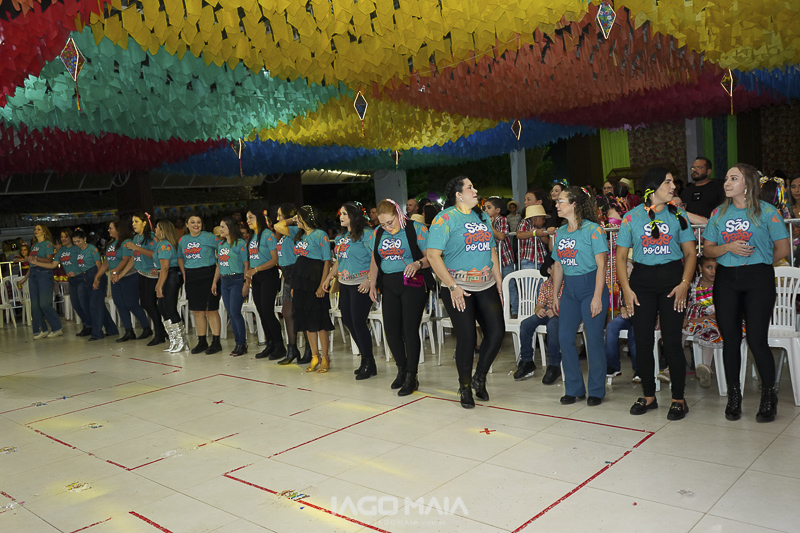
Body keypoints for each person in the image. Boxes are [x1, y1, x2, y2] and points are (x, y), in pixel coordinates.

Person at [703, 163, 790, 422]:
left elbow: (783, 249)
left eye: (733, 178)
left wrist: (759, 262)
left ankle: (768, 396)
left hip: (758, 280)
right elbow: (708, 249)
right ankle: (734, 396)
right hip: (727, 280)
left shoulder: (768, 212)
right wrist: (728, 247)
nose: (727, 183)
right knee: (730, 340)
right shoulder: (718, 213)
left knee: (756, 339)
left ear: (748, 184)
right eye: (726, 178)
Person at [616, 167, 696, 420]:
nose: (673, 186)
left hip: (673, 281)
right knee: (642, 341)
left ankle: (678, 399)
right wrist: (626, 289)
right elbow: (620, 258)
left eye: (673, 182)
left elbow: (690, 253)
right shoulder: (631, 217)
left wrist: (684, 284)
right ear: (652, 188)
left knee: (672, 341)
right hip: (641, 283)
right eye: (667, 182)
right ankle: (649, 396)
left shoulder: (678, 214)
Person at [428, 176, 505, 408]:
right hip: (458, 287)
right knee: (467, 338)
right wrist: (452, 286)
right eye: (470, 187)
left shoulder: (482, 217)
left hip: (485, 284)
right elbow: (433, 255)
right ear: (458, 195)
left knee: (497, 332)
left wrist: (499, 280)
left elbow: (491, 249)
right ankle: (465, 386)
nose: (475, 190)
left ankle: (479, 377)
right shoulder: (445, 218)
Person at [550, 187, 609, 406]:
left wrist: (597, 296)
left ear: (574, 204)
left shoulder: (594, 230)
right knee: (565, 338)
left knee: (593, 339)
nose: (556, 205)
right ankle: (574, 389)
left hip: (591, 287)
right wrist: (555, 295)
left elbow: (602, 266)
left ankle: (596, 390)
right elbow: (558, 265)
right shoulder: (559, 233)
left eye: (561, 201)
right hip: (570, 291)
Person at [369, 199, 431, 395]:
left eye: (390, 222)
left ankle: (412, 375)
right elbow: (375, 259)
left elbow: (432, 257)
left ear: (399, 214)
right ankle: (402, 369)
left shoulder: (416, 228)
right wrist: (372, 283)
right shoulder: (377, 233)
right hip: (389, 284)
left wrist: (417, 264)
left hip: (412, 282)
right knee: (391, 330)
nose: (387, 228)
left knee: (409, 329)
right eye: (383, 224)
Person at [324, 202, 377, 380]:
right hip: (344, 283)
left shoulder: (367, 234)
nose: (341, 217)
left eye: (345, 214)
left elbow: (375, 257)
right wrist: (329, 277)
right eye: (341, 214)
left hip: (361, 283)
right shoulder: (341, 236)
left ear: (354, 216)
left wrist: (369, 279)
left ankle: (368, 362)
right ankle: (366, 359)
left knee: (358, 322)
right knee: (348, 320)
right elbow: (339, 260)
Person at [290, 205, 334, 372]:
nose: (296, 219)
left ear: (306, 218)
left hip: (315, 279)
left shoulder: (320, 234)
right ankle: (315, 356)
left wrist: (323, 284)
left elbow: (327, 261)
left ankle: (326, 357)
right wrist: (294, 286)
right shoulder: (299, 235)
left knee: (319, 320)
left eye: (298, 217)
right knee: (307, 320)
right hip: (300, 281)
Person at [96, 220, 150, 342]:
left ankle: (146, 327)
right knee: (120, 304)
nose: (109, 230)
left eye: (111, 228)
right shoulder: (111, 244)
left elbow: (126, 259)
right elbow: (107, 262)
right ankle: (128, 331)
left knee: (132, 304)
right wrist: (97, 276)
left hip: (129, 277)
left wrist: (116, 272)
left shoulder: (126, 242)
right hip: (115, 278)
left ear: (119, 229)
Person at [273, 204, 312, 365]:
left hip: (297, 274)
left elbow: (277, 226)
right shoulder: (285, 234)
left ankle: (310, 349)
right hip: (287, 275)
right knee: (287, 313)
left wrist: (292, 219)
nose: (277, 218)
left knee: (299, 313)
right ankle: (292, 349)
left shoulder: (295, 230)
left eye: (280, 215)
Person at [178, 215, 223, 354]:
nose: (196, 225)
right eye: (192, 222)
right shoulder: (183, 240)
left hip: (208, 274)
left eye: (198, 222)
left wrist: (217, 274)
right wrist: (184, 273)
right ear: (186, 224)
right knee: (197, 311)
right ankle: (202, 341)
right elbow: (180, 257)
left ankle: (216, 342)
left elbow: (223, 249)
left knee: (211, 309)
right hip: (191, 276)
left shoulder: (209, 237)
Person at [514, 257, 562, 384]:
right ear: (549, 270)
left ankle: (554, 364)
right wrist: (538, 310)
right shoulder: (545, 285)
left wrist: (556, 311)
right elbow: (539, 304)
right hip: (547, 312)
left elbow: (570, 305)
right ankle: (527, 360)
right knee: (526, 324)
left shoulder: (566, 283)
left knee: (553, 326)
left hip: (562, 314)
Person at [244, 208, 282, 360]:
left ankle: (280, 346)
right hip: (257, 277)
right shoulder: (252, 236)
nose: (248, 221)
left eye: (251, 217)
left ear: (259, 218)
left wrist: (256, 270)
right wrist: (249, 275)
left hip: (269, 276)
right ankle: (270, 343)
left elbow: (275, 260)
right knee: (261, 312)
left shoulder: (268, 235)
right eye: (247, 218)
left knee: (267, 312)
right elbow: (252, 259)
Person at [126, 213, 166, 346]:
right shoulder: (136, 237)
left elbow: (155, 254)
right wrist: (121, 274)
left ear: (144, 223)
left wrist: (137, 248)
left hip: (152, 274)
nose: (133, 224)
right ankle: (161, 330)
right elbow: (134, 257)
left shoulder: (152, 236)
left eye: (136, 221)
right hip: (142, 273)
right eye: (132, 222)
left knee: (150, 303)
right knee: (144, 303)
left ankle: (159, 333)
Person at [212, 217, 250, 356]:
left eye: (223, 227)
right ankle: (238, 343)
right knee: (231, 313)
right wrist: (214, 282)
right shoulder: (221, 245)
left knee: (235, 312)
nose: (220, 229)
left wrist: (246, 283)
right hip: (225, 280)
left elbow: (246, 264)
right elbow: (219, 265)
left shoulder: (240, 244)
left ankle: (241, 343)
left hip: (237, 279)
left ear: (230, 228)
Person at [72, 229, 118, 341]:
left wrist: (97, 279)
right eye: (74, 242)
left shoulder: (92, 249)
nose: (77, 244)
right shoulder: (78, 250)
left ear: (84, 239)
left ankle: (97, 333)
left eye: (78, 241)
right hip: (86, 277)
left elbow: (99, 265)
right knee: (98, 305)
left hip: (96, 275)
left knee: (94, 306)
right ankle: (112, 330)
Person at [683, 255, 721, 388]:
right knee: (679, 329)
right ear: (700, 268)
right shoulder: (693, 285)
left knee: (709, 330)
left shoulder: (720, 286)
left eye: (716, 268)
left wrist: (696, 319)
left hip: (713, 321)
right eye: (709, 267)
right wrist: (684, 319)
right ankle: (672, 365)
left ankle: (706, 367)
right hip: (694, 319)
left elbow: (719, 314)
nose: (713, 271)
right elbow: (687, 305)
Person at [21, 225, 63, 339]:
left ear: (44, 232)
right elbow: (31, 263)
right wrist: (25, 278)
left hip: (44, 273)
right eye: (35, 229)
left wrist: (36, 259)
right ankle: (41, 329)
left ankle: (57, 328)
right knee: (35, 305)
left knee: (44, 304)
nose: (36, 231)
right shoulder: (34, 246)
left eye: (39, 229)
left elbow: (49, 259)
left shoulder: (48, 244)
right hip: (33, 274)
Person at [154, 220, 186, 352]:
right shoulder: (163, 244)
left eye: (157, 228)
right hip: (169, 275)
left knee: (169, 307)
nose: (155, 230)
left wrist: (159, 285)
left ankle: (181, 341)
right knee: (162, 307)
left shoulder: (165, 245)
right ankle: (173, 339)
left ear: (163, 231)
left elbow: (165, 267)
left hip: (170, 276)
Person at [55, 229, 90, 335]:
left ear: (70, 237)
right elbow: (53, 264)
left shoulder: (77, 248)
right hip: (71, 280)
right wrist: (36, 262)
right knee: (76, 305)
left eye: (66, 236)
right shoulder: (61, 250)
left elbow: (86, 260)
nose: (63, 239)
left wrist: (81, 272)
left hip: (81, 278)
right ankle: (87, 325)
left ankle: (90, 326)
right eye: (61, 237)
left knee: (84, 304)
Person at [485, 198, 515, 300]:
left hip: (505, 260)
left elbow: (501, 236)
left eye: (489, 207)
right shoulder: (485, 222)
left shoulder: (502, 219)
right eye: (485, 208)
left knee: (509, 286)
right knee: (495, 287)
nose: (486, 210)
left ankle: (514, 308)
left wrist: (490, 226)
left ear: (497, 210)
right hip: (494, 261)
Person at [681, 157, 724, 223]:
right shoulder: (686, 191)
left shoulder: (718, 188)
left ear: (708, 171)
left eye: (699, 167)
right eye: (693, 168)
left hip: (712, 225)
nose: (695, 170)